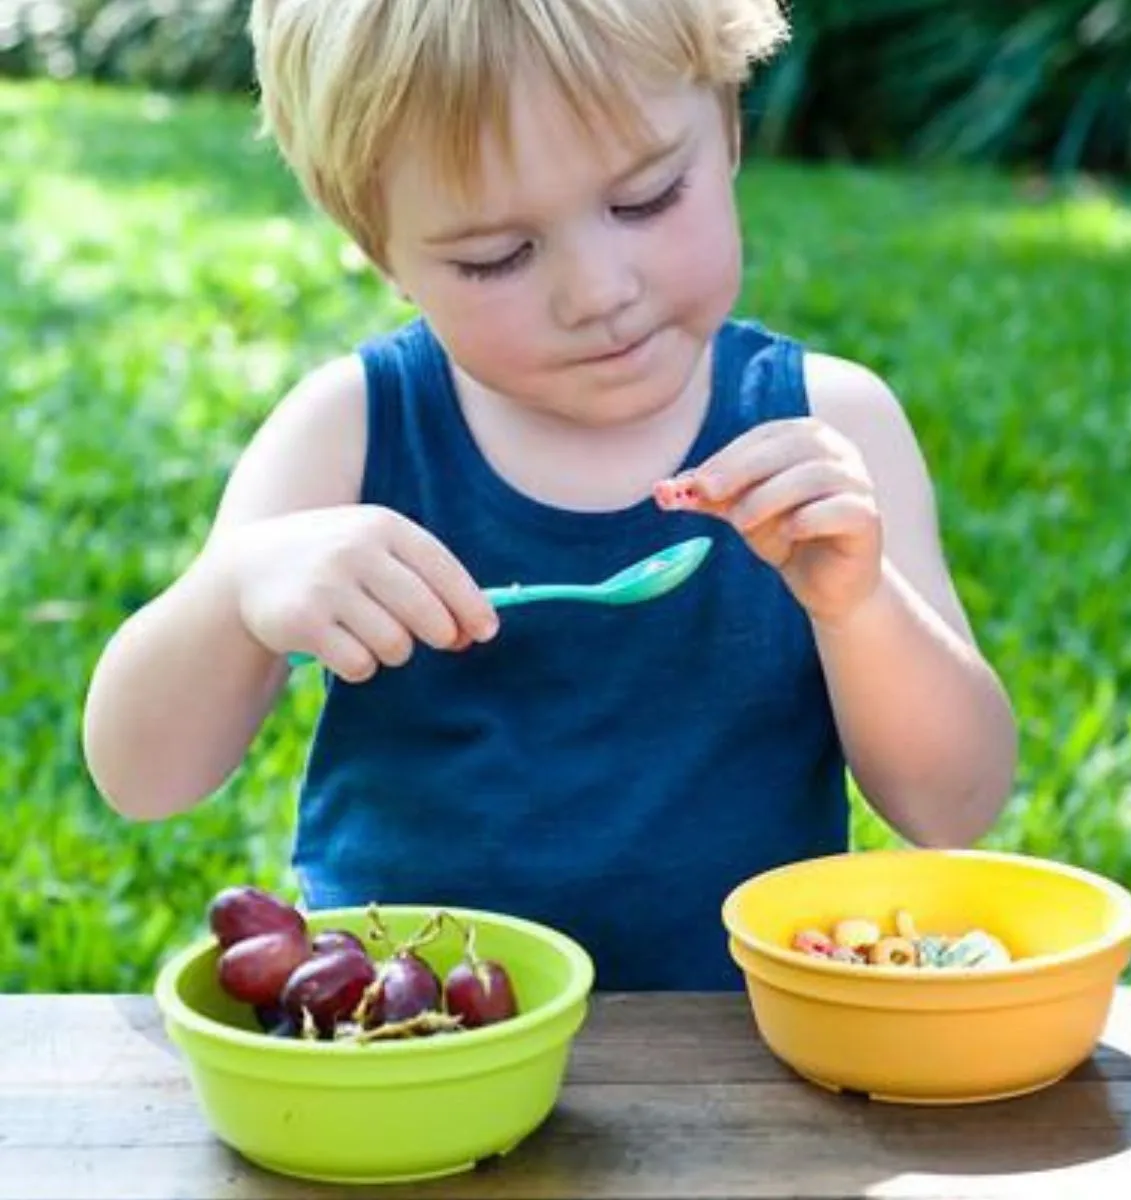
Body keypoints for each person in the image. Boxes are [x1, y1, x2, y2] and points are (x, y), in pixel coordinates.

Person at [82, 0, 1017, 990]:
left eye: (648, 198)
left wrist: (859, 605)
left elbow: (953, 806)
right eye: (497, 257)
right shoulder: (349, 433)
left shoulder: (829, 428)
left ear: (730, 131)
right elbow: (144, 780)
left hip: (742, 1050)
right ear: (382, 254)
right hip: (414, 1047)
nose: (598, 290)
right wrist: (238, 592)